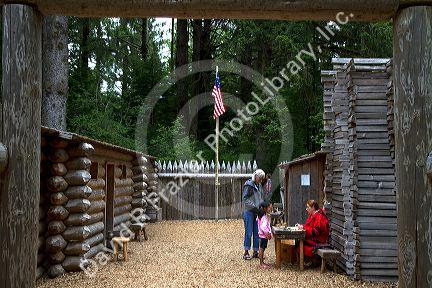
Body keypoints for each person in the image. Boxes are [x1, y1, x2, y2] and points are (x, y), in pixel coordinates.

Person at [295, 199, 329, 265]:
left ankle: (310, 261)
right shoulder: (312, 215)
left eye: (308, 207)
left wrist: (303, 228)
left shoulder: (319, 217)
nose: (306, 209)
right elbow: (308, 226)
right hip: (314, 239)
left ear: (313, 207)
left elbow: (316, 232)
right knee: (297, 242)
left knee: (299, 242)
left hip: (319, 241)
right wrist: (301, 226)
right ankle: (304, 262)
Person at [242, 169, 265, 260]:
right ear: (255, 176)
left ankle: (255, 251)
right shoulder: (249, 185)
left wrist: (262, 208)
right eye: (260, 178)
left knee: (257, 232)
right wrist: (255, 208)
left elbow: (261, 198)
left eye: (262, 178)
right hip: (249, 211)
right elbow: (245, 199)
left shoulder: (258, 185)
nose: (261, 180)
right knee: (248, 232)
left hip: (257, 212)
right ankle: (246, 252)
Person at [257, 200, 273, 269]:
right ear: (265, 208)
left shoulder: (261, 215)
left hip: (263, 235)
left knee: (262, 248)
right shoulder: (263, 217)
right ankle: (261, 263)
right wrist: (267, 234)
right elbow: (263, 227)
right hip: (264, 236)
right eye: (269, 208)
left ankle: (262, 262)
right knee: (262, 248)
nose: (270, 209)